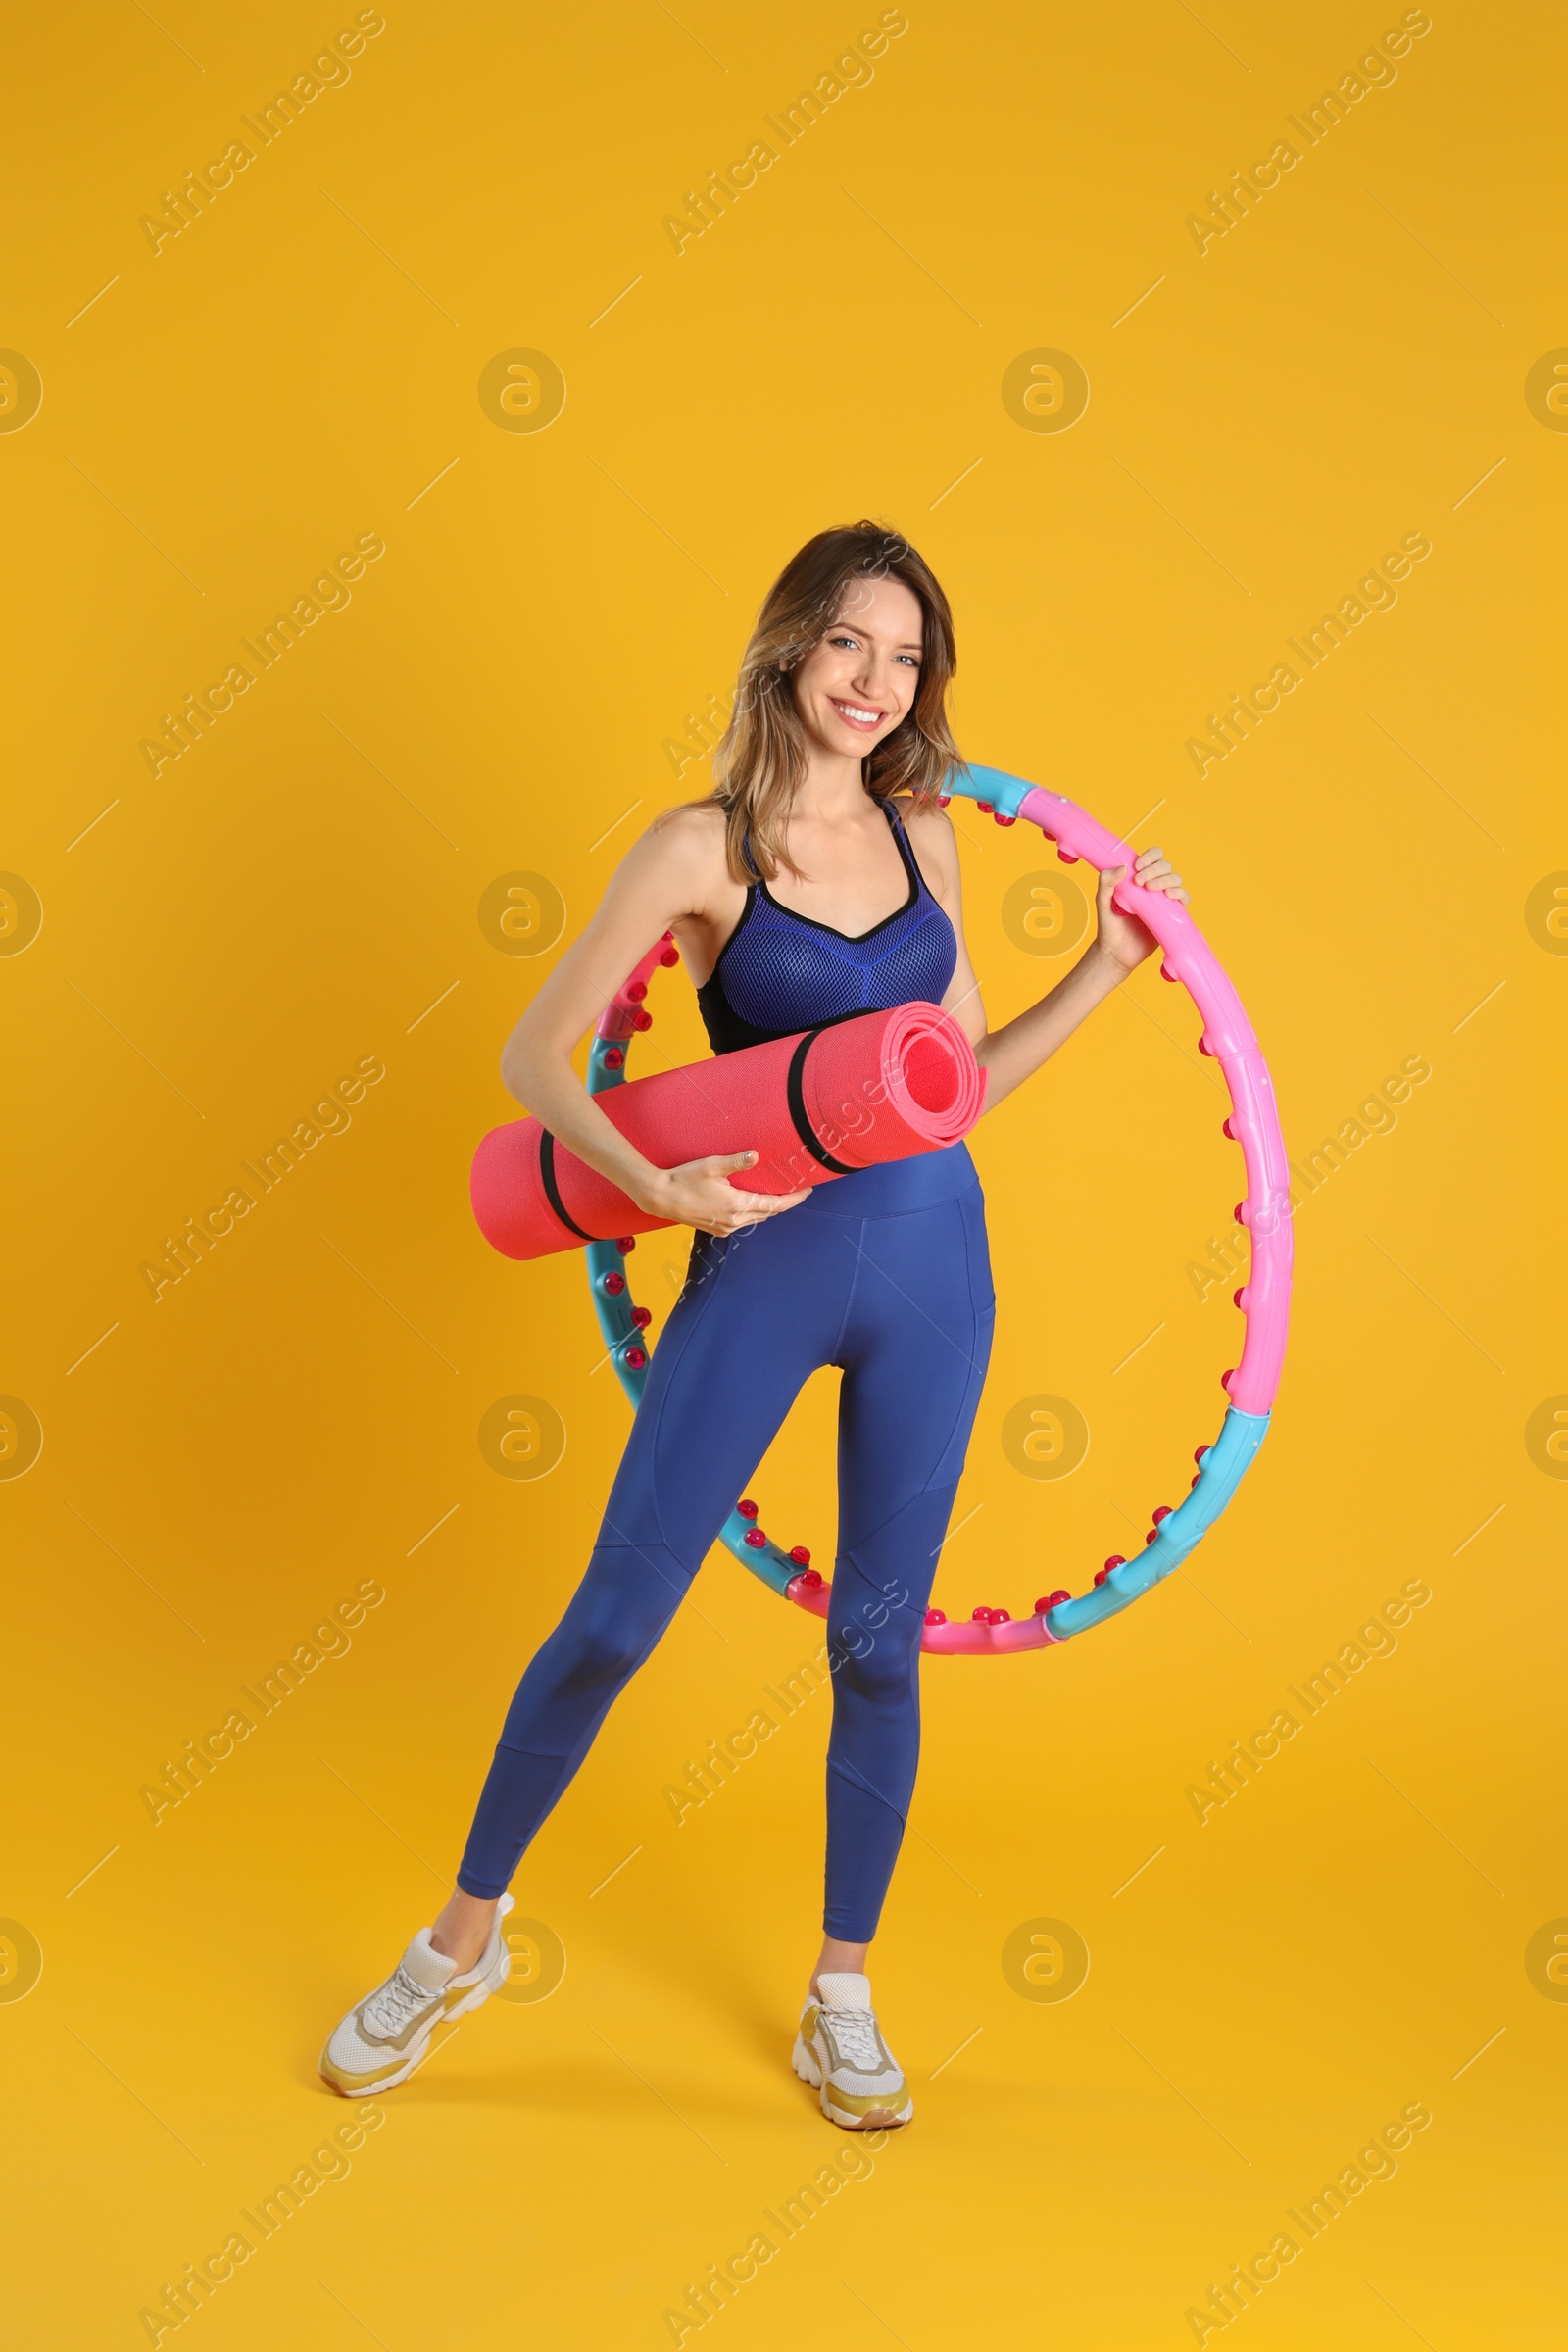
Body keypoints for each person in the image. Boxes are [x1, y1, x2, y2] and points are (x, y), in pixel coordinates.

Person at [321, 521, 1188, 2125]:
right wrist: (667, 1184)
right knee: (609, 1624)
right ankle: (458, 1946)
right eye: (851, 642)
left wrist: (1108, 969)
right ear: (792, 644)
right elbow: (535, 1060)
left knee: (875, 1649)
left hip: (936, 1268)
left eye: (908, 654)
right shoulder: (701, 848)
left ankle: (841, 1998)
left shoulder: (933, 837)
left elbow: (956, 1091)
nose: (877, 681)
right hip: (766, 1262)